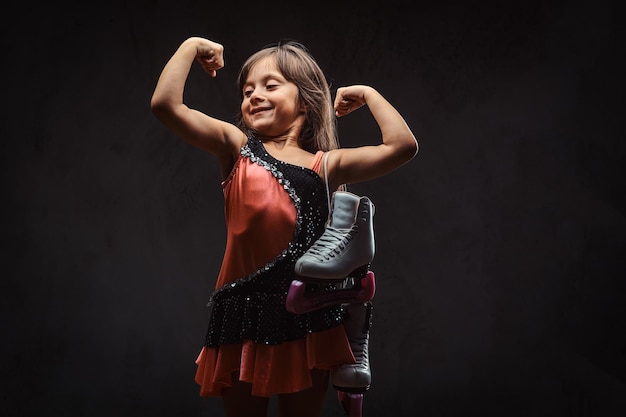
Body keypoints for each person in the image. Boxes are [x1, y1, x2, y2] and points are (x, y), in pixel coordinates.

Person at [150, 36, 418, 417]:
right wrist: (191, 47)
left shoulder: (326, 165)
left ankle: (356, 325)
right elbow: (165, 105)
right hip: (242, 312)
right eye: (247, 91)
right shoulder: (237, 147)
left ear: (305, 101)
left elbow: (402, 147)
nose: (254, 96)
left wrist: (370, 95)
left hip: (306, 312)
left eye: (270, 85)